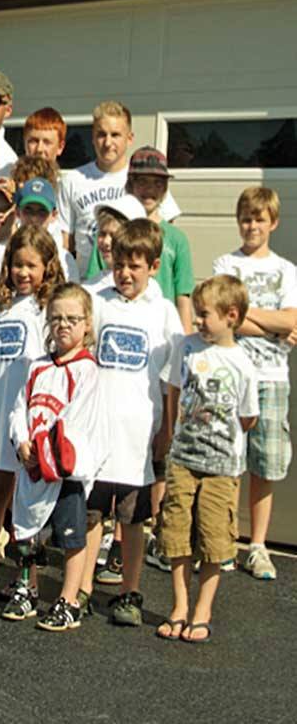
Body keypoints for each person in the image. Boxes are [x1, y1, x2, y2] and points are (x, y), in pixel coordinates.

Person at [80, 218, 183, 627]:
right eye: (119, 263)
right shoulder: (96, 298)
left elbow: (172, 379)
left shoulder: (164, 312)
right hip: (95, 431)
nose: (124, 273)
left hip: (138, 434)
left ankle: (129, 591)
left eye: (134, 266)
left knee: (132, 519)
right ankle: (82, 587)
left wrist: (167, 431)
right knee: (91, 515)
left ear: (153, 267)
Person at [155, 275, 259, 643]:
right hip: (183, 459)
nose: (197, 322)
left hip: (222, 468)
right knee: (177, 533)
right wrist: (171, 434)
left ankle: (203, 609)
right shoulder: (186, 347)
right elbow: (174, 391)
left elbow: (248, 418)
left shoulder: (243, 363)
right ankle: (180, 605)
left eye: (204, 315)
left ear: (231, 316)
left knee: (215, 538)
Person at [0, 225, 61, 597]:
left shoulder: (45, 308)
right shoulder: (1, 304)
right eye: (17, 265)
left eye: (31, 266)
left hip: (28, 417)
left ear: (47, 267)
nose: (23, 273)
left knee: (26, 501)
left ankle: (28, 578)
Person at [4, 283, 106, 628]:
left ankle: (69, 599)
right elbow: (20, 408)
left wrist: (46, 452)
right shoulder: (36, 367)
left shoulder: (86, 370)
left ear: (87, 323)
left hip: (64, 471)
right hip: (32, 467)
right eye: (56, 318)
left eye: (72, 319)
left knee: (71, 537)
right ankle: (27, 589)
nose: (63, 325)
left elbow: (77, 422)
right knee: (27, 531)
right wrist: (22, 442)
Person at [213, 187, 297, 580]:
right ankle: (223, 541)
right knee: (227, 459)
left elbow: (292, 319)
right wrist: (274, 325)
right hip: (232, 376)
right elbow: (225, 317)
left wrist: (255, 316)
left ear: (273, 223)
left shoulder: (286, 270)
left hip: (272, 378)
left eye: (259, 220)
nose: (252, 226)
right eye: (246, 218)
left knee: (264, 464)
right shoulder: (226, 263)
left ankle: (258, 546)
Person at [58, 101, 179, 276]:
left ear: (130, 138)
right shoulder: (72, 180)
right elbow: (65, 242)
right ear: (92, 137)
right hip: (86, 280)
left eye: (115, 135)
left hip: (132, 282)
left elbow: (165, 235)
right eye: (101, 134)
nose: (107, 142)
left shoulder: (144, 181)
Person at [125, 146, 195, 332]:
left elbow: (183, 296)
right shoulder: (116, 232)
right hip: (122, 321)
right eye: (142, 182)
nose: (149, 189)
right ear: (130, 185)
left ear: (165, 189)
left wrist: (186, 341)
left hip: (162, 329)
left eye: (157, 183)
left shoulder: (176, 238)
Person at [0, 179, 79, 283]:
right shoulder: (0, 252)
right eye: (28, 210)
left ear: (54, 215)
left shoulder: (64, 259)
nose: (34, 218)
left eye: (42, 212)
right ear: (17, 212)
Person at [83, 196, 146, 293]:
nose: (106, 242)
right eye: (102, 234)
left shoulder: (150, 289)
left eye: (114, 235)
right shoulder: (90, 289)